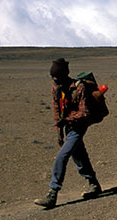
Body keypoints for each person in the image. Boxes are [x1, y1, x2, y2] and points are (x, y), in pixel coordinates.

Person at [34, 58, 101, 209]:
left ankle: (53, 193)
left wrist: (67, 120)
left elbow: (85, 112)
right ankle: (94, 185)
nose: (55, 80)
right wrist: (59, 132)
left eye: (57, 77)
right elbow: (56, 109)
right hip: (67, 125)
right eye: (53, 78)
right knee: (79, 155)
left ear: (65, 75)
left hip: (79, 125)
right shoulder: (56, 87)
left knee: (62, 156)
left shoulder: (79, 87)